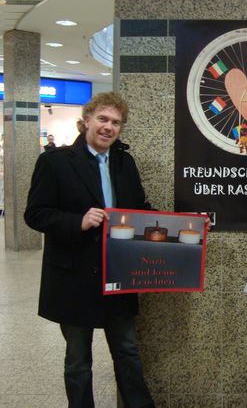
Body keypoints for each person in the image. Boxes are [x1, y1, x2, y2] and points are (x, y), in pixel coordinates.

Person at [25, 92, 155, 408]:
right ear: (87, 119)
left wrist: (183, 226)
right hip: (74, 274)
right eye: (103, 119)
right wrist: (77, 222)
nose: (109, 127)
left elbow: (139, 208)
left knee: (127, 351)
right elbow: (35, 213)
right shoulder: (54, 162)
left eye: (116, 122)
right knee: (78, 359)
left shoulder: (125, 163)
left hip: (118, 274)